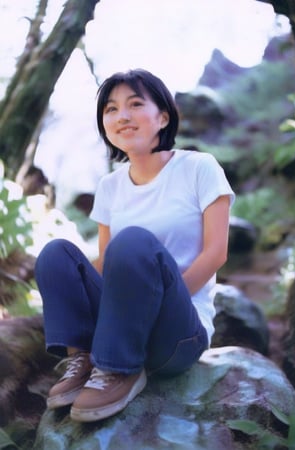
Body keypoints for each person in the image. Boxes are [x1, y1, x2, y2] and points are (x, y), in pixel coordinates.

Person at [34, 68, 235, 423]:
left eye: (135, 104)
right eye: (111, 109)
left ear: (163, 117)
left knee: (134, 242)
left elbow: (216, 252)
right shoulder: (111, 186)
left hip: (178, 330)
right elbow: (103, 269)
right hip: (124, 320)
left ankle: (119, 368)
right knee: (57, 255)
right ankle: (84, 358)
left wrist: (156, 305)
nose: (122, 116)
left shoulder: (199, 167)